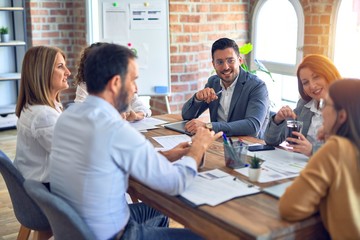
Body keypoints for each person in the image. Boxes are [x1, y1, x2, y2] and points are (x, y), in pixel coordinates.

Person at [49, 43, 222, 240]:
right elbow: (175, 183)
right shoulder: (115, 130)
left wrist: (165, 156)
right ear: (115, 83)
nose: (136, 88)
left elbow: (105, 161)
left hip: (76, 229)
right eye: (133, 80)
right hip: (116, 235)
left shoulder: (68, 117)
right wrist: (197, 148)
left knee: (157, 210)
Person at [279, 79, 360, 239]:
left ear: (342, 115)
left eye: (326, 105)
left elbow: (290, 207)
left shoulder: (336, 148)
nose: (321, 111)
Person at [182, 37, 269, 138]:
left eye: (230, 61)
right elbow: (186, 115)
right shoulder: (213, 82)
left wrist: (209, 126)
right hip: (218, 143)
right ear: (213, 64)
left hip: (247, 146)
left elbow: (253, 126)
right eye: (220, 62)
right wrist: (197, 98)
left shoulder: (256, 86)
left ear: (240, 61)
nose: (225, 67)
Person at [14, 46, 71, 187]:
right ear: (42, 73)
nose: (68, 72)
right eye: (60, 66)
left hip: (41, 187)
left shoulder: (35, 108)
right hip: (50, 192)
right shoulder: (43, 115)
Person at [264, 54, 342, 156]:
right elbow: (271, 141)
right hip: (299, 166)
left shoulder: (349, 107)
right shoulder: (304, 106)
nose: (312, 86)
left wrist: (312, 150)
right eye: (305, 82)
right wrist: (278, 120)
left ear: (329, 74)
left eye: (316, 77)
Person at [74, 42, 151, 121]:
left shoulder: (121, 84)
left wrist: (137, 115)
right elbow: (80, 110)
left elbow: (142, 108)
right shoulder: (85, 86)